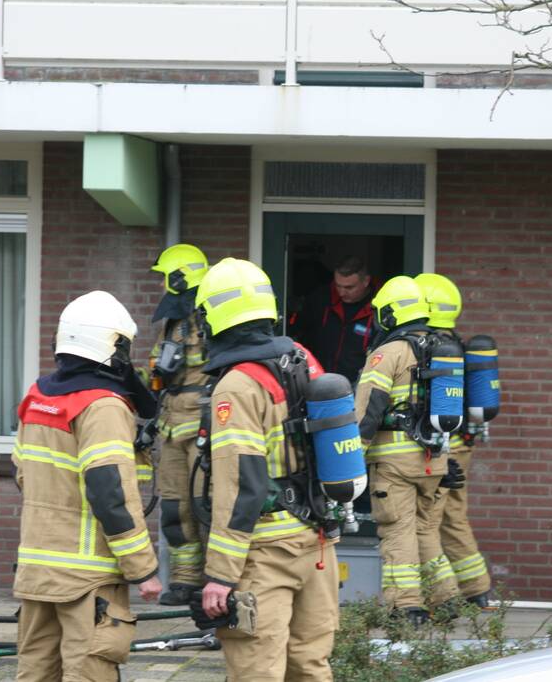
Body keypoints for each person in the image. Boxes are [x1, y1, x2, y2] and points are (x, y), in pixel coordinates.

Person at [194, 257, 340, 681]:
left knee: (256, 670)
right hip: (317, 546)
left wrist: (221, 574)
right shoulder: (302, 359)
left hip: (264, 554)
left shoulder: (237, 385)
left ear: (213, 318)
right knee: (310, 668)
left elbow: (242, 484)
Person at [12, 290, 162, 681]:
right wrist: (143, 569)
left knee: (35, 673)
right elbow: (110, 494)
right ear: (113, 345)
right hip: (88, 579)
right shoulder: (103, 405)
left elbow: (22, 473)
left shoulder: (37, 396)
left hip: (37, 569)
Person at [354, 275, 457, 626]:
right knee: (426, 530)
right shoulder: (442, 347)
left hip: (395, 463)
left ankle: (406, 606)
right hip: (435, 460)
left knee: (397, 530)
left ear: (390, 314)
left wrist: (351, 458)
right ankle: (446, 599)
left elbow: (367, 410)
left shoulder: (389, 353)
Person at [415, 272, 492, 607]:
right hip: (462, 442)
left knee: (429, 520)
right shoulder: (457, 345)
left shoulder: (429, 349)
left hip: (442, 447)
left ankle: (442, 597)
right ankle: (476, 589)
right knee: (453, 516)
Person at [147, 244, 212, 606]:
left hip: (202, 426)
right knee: (175, 508)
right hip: (171, 426)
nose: (160, 287)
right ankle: (186, 579)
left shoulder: (210, 316)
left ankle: (215, 579)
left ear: (178, 278)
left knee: (207, 505)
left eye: (164, 278)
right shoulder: (172, 321)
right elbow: (160, 370)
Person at [289, 255, 376, 384]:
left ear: (366, 281)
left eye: (349, 288)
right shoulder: (321, 299)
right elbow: (297, 330)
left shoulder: (378, 308)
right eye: (338, 286)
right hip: (318, 380)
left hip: (358, 385)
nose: (341, 293)